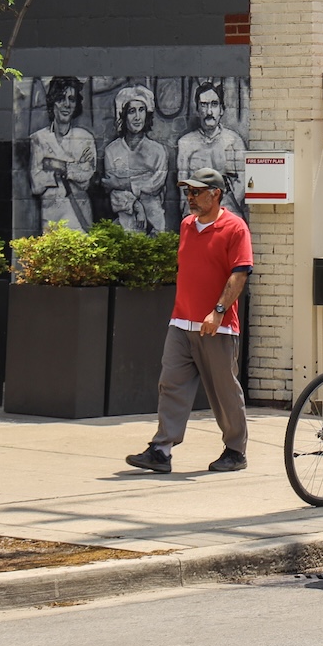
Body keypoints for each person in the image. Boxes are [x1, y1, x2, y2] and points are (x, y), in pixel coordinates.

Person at [125, 168, 252, 475]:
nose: (191, 198)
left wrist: (218, 311)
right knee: (171, 384)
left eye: (196, 192)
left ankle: (235, 450)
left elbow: (240, 274)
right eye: (188, 192)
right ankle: (161, 449)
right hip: (181, 322)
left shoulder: (235, 228)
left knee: (223, 391)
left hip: (217, 326)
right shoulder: (186, 226)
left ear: (216, 194)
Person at [28, 76, 96, 231]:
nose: (66, 104)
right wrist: (72, 168)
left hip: (79, 216)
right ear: (53, 102)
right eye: (61, 98)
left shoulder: (85, 138)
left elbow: (86, 177)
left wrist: (57, 165)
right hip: (51, 217)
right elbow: (36, 184)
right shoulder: (39, 139)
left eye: (71, 99)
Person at [102, 86, 171, 234]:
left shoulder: (158, 151)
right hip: (124, 224)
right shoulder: (111, 151)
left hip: (154, 224)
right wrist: (136, 205)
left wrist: (124, 183)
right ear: (123, 115)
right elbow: (113, 192)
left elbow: (154, 185)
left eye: (141, 110)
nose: (137, 117)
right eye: (132, 111)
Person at [177, 80, 247, 216]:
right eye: (203, 105)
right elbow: (183, 188)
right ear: (197, 110)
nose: (209, 111)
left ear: (221, 109)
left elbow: (242, 182)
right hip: (198, 214)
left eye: (214, 104)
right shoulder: (185, 143)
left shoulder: (234, 141)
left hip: (227, 212)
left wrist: (220, 208)